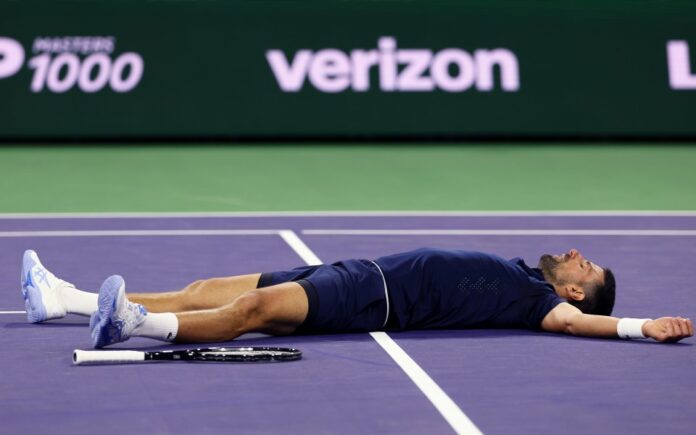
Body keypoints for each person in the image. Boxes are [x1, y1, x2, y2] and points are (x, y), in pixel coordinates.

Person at [20, 248, 692, 348]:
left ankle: (134, 325)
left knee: (251, 313)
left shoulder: (537, 301)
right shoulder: (520, 272)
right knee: (203, 290)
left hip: (372, 297)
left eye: (584, 265)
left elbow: (574, 326)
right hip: (354, 270)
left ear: (574, 290)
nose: (575, 251)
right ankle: (66, 299)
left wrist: (638, 327)